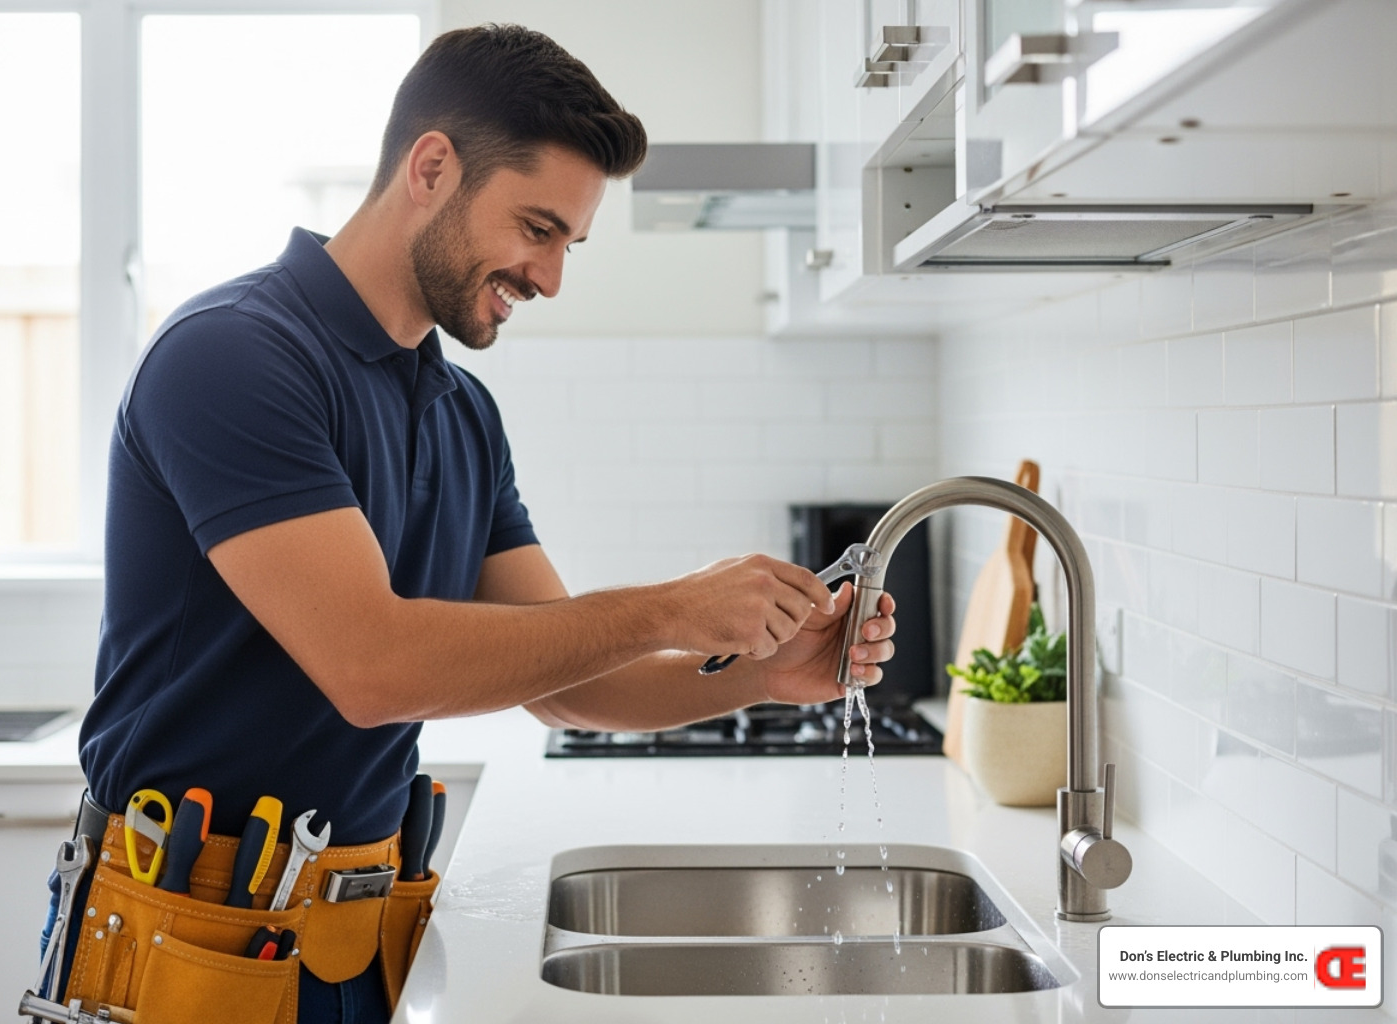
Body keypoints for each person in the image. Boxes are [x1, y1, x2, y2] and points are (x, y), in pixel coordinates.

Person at [56, 22, 897, 1024]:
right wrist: (674, 605)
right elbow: (373, 667)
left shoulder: (460, 412)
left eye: (567, 245)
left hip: (363, 935)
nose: (549, 277)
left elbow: (571, 688)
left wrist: (762, 679)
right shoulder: (233, 358)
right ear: (432, 166)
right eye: (537, 229)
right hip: (186, 932)